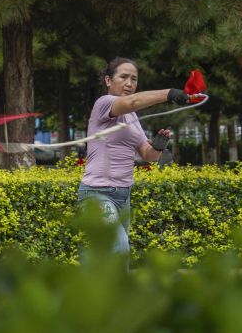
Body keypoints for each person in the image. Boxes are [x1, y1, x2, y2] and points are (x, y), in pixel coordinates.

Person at [78, 57, 193, 259]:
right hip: (97, 193)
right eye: (123, 77)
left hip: (124, 195)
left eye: (134, 79)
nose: (129, 84)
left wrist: (158, 144)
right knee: (118, 249)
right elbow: (133, 101)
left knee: (109, 254)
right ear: (108, 81)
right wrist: (169, 93)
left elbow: (148, 156)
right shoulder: (103, 104)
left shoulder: (132, 118)